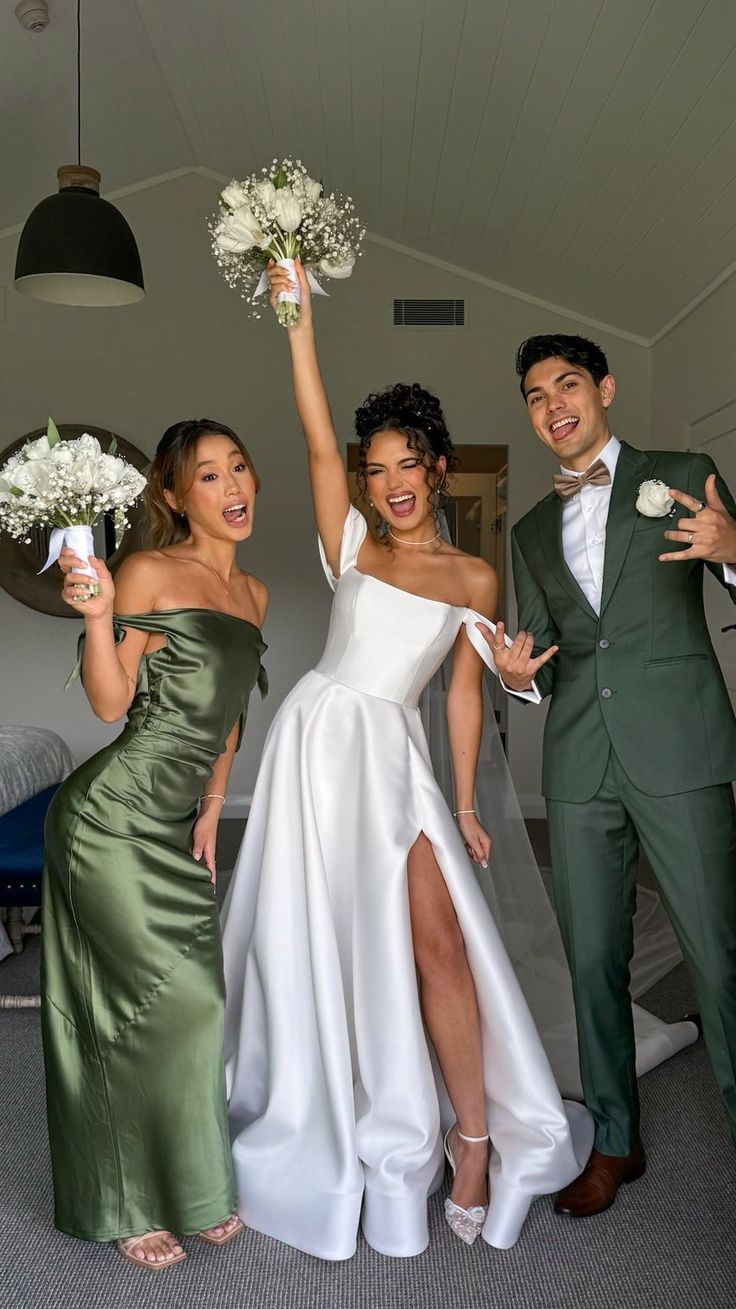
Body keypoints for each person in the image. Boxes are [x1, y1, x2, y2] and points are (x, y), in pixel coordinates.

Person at [221, 261, 592, 1261]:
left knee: (440, 947)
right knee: (323, 940)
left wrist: (465, 802)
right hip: (313, 748)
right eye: (372, 466)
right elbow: (307, 428)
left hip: (395, 762)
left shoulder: (473, 572)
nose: (386, 484)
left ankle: (471, 1140)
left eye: (402, 466)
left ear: (434, 469)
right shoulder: (347, 542)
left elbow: (465, 689)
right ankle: (346, 1105)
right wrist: (295, 314)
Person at [484, 333, 736, 1218]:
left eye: (568, 384)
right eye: (535, 394)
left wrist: (732, 545)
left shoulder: (683, 470)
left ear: (605, 390)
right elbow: (550, 656)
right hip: (581, 762)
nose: (553, 404)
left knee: (720, 953)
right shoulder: (529, 530)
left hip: (680, 748)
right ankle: (615, 1142)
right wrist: (520, 676)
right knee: (591, 959)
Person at [42, 419, 268, 1270]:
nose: (232, 486)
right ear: (173, 498)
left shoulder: (254, 594)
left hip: (173, 826)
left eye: (238, 467)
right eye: (208, 476)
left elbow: (231, 713)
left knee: (196, 1006)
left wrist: (213, 808)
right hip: (107, 821)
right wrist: (101, 617)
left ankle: (196, 1184)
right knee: (140, 1014)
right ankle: (127, 1200)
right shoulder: (147, 569)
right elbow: (109, 703)